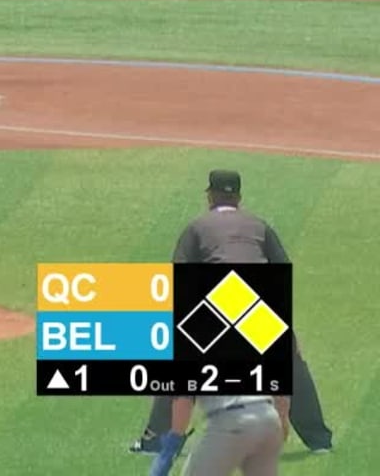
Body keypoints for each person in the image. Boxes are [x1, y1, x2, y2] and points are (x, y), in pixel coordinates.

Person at [130, 170, 335, 458]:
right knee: (290, 364)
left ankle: (155, 441)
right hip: (253, 301)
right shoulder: (259, 226)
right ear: (238, 197)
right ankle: (319, 440)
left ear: (210, 196)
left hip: (219, 298)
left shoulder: (197, 227)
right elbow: (281, 270)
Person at [147, 393, 288, 476]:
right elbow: (281, 396)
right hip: (269, 419)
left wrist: (170, 447)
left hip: (231, 422)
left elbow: (184, 402)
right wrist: (280, 423)